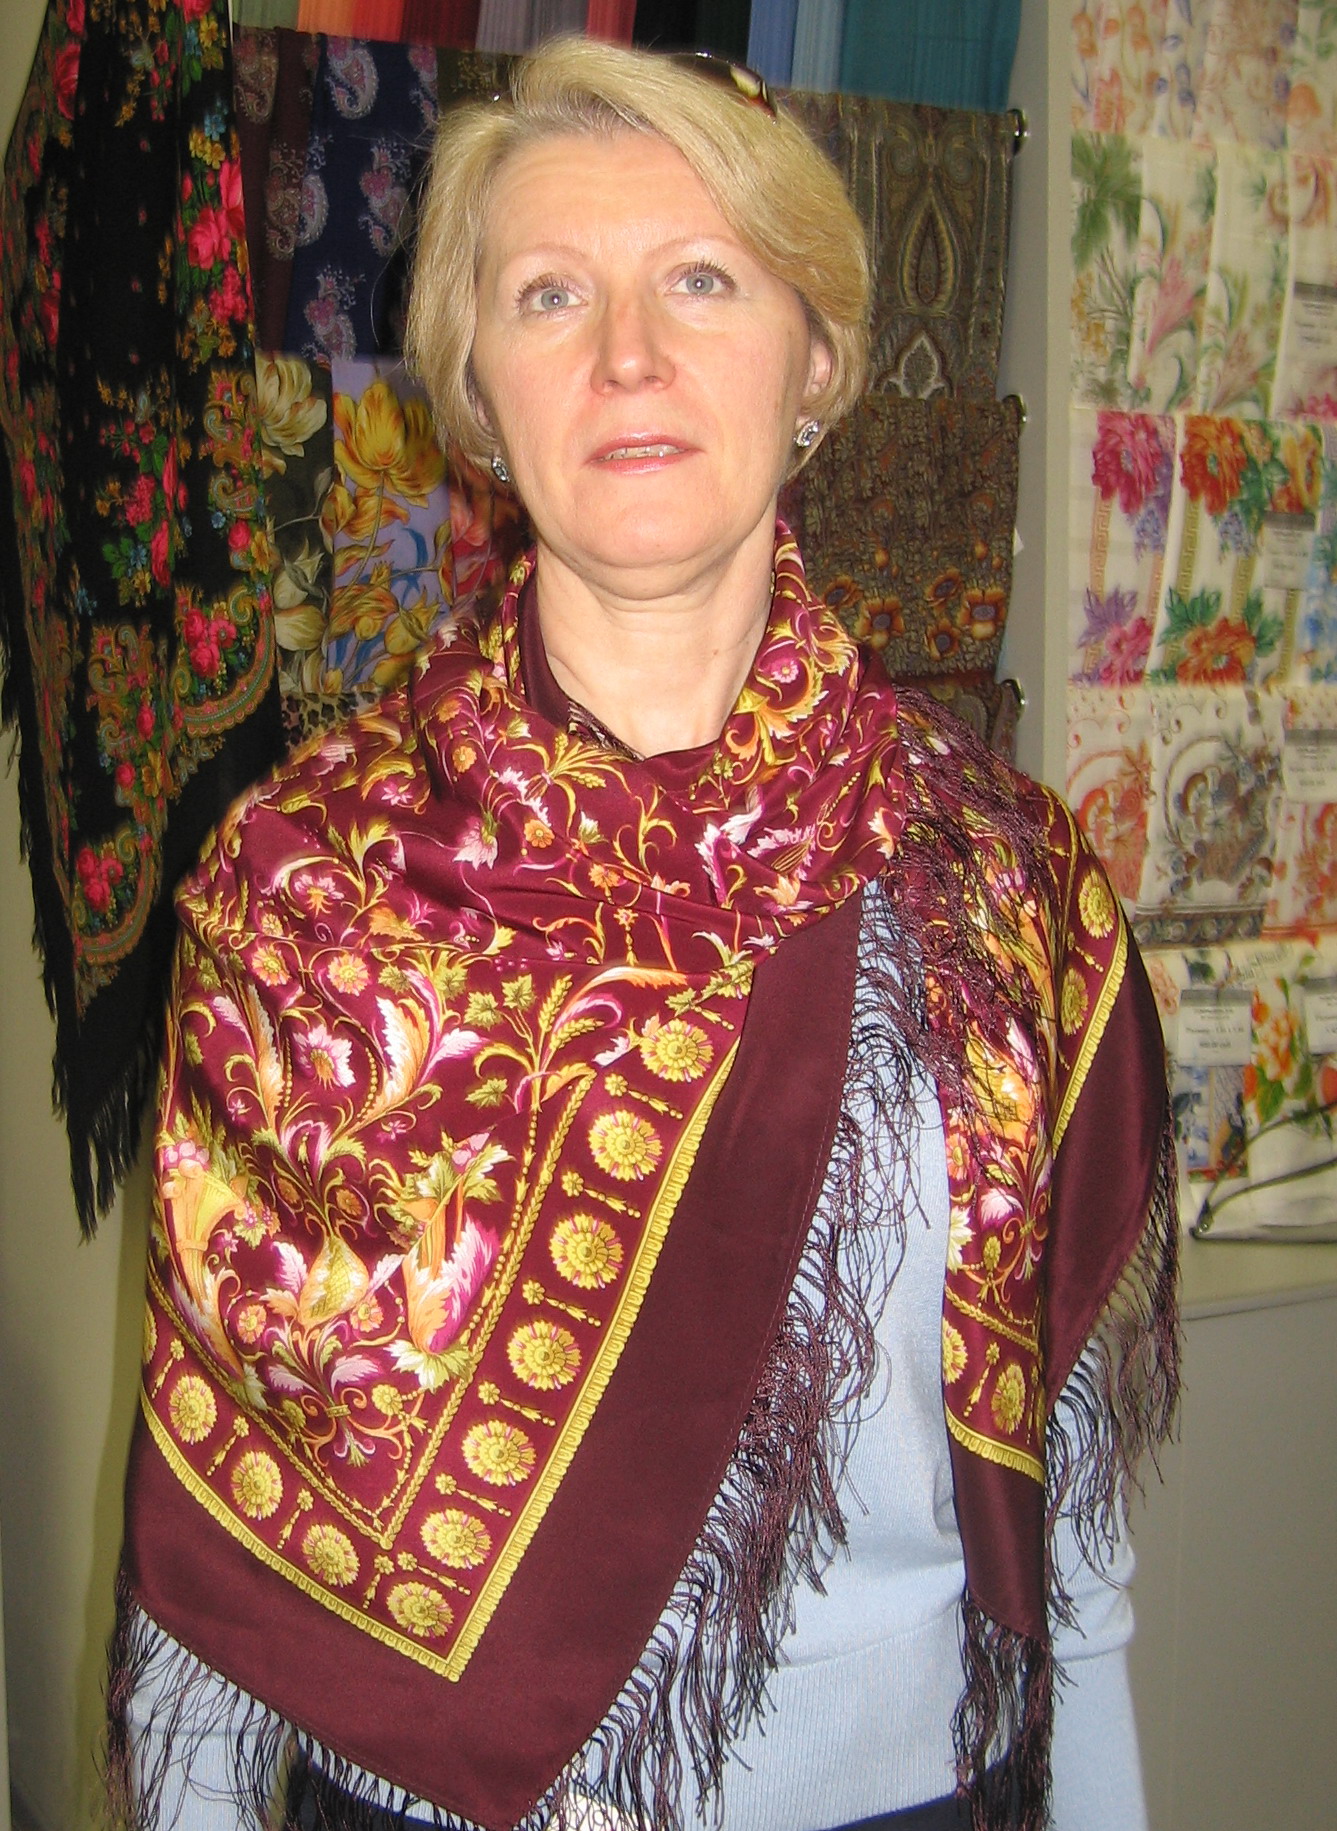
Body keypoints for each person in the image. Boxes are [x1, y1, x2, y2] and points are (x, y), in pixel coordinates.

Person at [109, 37, 1178, 1831]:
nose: (626, 356)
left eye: (701, 278)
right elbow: (213, 1600)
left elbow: (1071, 1548)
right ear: (476, 386)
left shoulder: (1008, 892)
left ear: (814, 354)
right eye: (550, 294)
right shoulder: (302, 890)